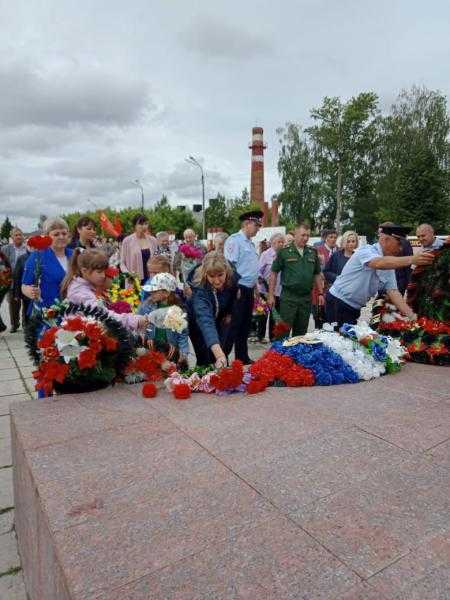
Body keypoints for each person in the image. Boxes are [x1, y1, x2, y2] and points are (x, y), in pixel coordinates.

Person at [326, 224, 435, 326]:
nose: (401, 249)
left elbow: (393, 292)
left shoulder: (388, 263)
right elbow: (377, 263)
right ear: (386, 240)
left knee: (348, 340)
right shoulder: (367, 250)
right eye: (399, 244)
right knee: (337, 340)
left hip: (353, 307)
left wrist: (412, 316)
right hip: (338, 302)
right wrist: (412, 259)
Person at [61, 248, 149, 330]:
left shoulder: (83, 286)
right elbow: (101, 314)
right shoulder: (80, 292)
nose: (103, 276)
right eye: (99, 272)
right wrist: (134, 321)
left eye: (104, 271)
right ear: (84, 271)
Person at [268, 223, 323, 336]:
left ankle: (295, 353)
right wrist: (271, 295)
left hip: (306, 298)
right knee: (282, 331)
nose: (306, 238)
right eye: (303, 235)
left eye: (308, 235)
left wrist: (321, 293)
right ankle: (280, 353)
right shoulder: (284, 251)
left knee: (301, 333)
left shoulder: (312, 252)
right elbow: (273, 273)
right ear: (296, 234)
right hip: (289, 298)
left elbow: (317, 274)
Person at [224, 210, 262, 364]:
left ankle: (242, 356)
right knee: (234, 325)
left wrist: (255, 287)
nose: (258, 228)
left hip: (249, 288)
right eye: (256, 225)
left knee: (245, 325)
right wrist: (235, 287)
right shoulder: (235, 240)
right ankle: (222, 356)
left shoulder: (250, 243)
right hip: (238, 288)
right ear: (247, 224)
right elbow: (230, 265)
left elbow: (251, 268)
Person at [187, 252, 237, 367]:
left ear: (226, 271)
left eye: (220, 275)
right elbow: (205, 321)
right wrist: (219, 355)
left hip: (222, 317)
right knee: (205, 356)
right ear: (205, 274)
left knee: (222, 349)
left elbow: (234, 294)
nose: (217, 281)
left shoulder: (232, 277)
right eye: (212, 276)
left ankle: (222, 368)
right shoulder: (199, 289)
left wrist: (229, 312)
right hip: (198, 322)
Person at [137, 272, 189, 368]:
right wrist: (143, 335)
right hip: (150, 349)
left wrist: (184, 353)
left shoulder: (176, 310)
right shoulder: (146, 306)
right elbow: (138, 323)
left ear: (167, 293)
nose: (151, 293)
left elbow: (182, 334)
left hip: (169, 351)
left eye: (155, 291)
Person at [22, 217, 73, 311]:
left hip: (72, 311)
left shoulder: (75, 255)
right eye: (56, 234)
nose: (61, 237)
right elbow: (25, 285)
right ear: (47, 236)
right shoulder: (37, 256)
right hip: (47, 314)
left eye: (64, 233)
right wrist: (31, 292)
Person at [258, 233, 284, 339]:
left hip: (278, 290)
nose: (281, 244)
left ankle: (273, 336)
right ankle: (260, 336)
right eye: (279, 242)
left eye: (282, 242)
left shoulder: (284, 255)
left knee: (275, 314)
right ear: (272, 243)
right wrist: (261, 279)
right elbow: (258, 270)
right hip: (265, 290)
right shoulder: (265, 254)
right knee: (263, 314)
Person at [1, 228, 28, 331]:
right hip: (11, 281)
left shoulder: (27, 248)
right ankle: (14, 324)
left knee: (26, 303)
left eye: (20, 235)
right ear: (12, 237)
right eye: (16, 235)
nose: (18, 237)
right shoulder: (5, 249)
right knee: (13, 303)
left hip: (25, 279)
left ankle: (26, 324)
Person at [120, 214, 157, 283]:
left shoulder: (153, 240)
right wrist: (128, 274)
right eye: (140, 224)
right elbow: (122, 263)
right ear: (134, 226)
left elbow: (157, 260)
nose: (144, 226)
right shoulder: (127, 241)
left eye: (146, 224)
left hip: (151, 279)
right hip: (134, 280)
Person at [0, 250, 12, 333]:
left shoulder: (2, 257)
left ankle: (1, 326)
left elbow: (8, 270)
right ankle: (1, 326)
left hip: (2, 285)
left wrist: (6, 285)